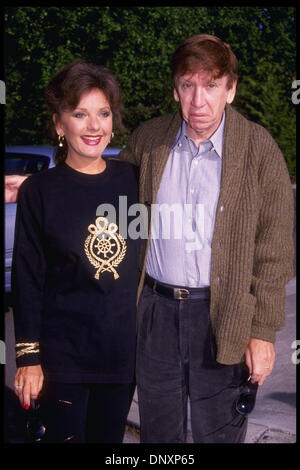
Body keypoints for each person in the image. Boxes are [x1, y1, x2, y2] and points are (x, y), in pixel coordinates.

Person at [118, 34, 295, 443]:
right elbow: (109, 195)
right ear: (175, 88)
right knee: (160, 437)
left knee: (221, 433)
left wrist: (263, 332)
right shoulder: (150, 140)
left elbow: (274, 254)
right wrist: (56, 182)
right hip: (155, 313)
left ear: (230, 90)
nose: (198, 101)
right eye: (188, 84)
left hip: (224, 316)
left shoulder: (259, 149)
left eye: (211, 85)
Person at [11, 59, 140, 443]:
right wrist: (28, 358)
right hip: (62, 363)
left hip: (121, 362)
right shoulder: (39, 192)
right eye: (80, 113)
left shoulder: (133, 181)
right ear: (58, 124)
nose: (95, 125)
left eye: (103, 113)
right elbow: (27, 280)